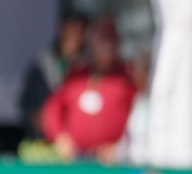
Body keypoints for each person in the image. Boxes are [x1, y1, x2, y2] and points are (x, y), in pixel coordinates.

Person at [40, 17, 136, 162]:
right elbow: (53, 108)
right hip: (74, 159)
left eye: (110, 38)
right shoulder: (77, 74)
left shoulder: (126, 78)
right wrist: (59, 137)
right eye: (101, 39)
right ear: (91, 42)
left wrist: (120, 148)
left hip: (111, 162)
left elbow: (139, 117)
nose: (106, 45)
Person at [19, 12, 88, 138]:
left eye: (78, 31)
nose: (73, 35)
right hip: (44, 139)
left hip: (76, 144)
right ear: (61, 30)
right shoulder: (42, 63)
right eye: (70, 29)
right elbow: (27, 102)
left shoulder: (89, 68)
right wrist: (37, 117)